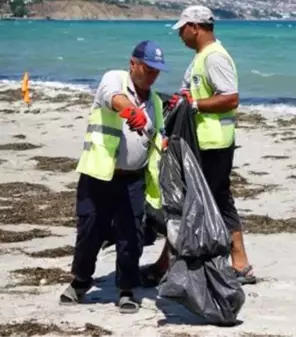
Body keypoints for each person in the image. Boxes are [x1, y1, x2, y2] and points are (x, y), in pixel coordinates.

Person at [139, 5, 256, 286]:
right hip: (203, 141)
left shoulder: (214, 58)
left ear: (195, 27)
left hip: (212, 143)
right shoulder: (202, 58)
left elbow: (231, 98)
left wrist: (193, 104)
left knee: (191, 204)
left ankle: (167, 265)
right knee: (213, 200)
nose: (180, 35)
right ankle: (239, 264)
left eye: (182, 29)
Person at [59, 40, 168, 314]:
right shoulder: (114, 79)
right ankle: (81, 282)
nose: (152, 75)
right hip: (100, 174)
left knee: (131, 235)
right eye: (148, 68)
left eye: (157, 71)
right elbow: (112, 98)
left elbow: (158, 140)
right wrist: (131, 111)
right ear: (133, 64)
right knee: (90, 231)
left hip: (134, 179)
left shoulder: (155, 101)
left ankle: (127, 289)